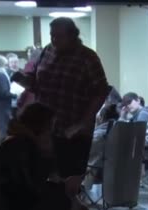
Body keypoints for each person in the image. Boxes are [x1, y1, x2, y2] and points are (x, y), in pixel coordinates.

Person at [13, 17, 110, 180]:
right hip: (43, 130)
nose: (54, 40)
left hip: (72, 132)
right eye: (52, 35)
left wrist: (82, 123)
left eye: (59, 36)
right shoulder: (47, 51)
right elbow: (36, 84)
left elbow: (100, 92)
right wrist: (22, 80)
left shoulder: (87, 57)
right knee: (40, 178)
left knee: (68, 182)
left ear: (73, 36)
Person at [0, 103, 86, 210]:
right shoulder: (23, 145)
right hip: (14, 207)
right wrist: (47, 156)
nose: (53, 129)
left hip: (8, 202)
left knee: (58, 197)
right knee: (58, 200)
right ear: (43, 124)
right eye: (51, 124)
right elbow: (30, 185)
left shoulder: (16, 141)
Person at [83, 104, 120, 191]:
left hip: (95, 173)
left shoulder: (99, 135)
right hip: (115, 173)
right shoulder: (120, 133)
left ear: (101, 117)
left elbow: (85, 153)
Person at [0, 55, 17, 144]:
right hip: (3, 106)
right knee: (3, 129)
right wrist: (15, 95)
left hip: (0, 105)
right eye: (6, 64)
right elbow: (3, 92)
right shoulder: (0, 76)